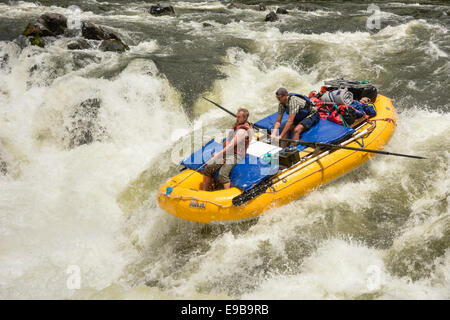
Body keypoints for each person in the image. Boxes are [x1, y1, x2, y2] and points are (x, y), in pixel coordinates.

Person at [202, 108, 254, 191]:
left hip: (237, 155)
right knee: (209, 168)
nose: (237, 119)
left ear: (245, 118)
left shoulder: (243, 131)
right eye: (236, 116)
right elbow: (228, 141)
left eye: (239, 117)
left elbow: (230, 146)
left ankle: (227, 195)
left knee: (222, 174)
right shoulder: (237, 125)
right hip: (229, 152)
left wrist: (218, 155)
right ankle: (204, 191)